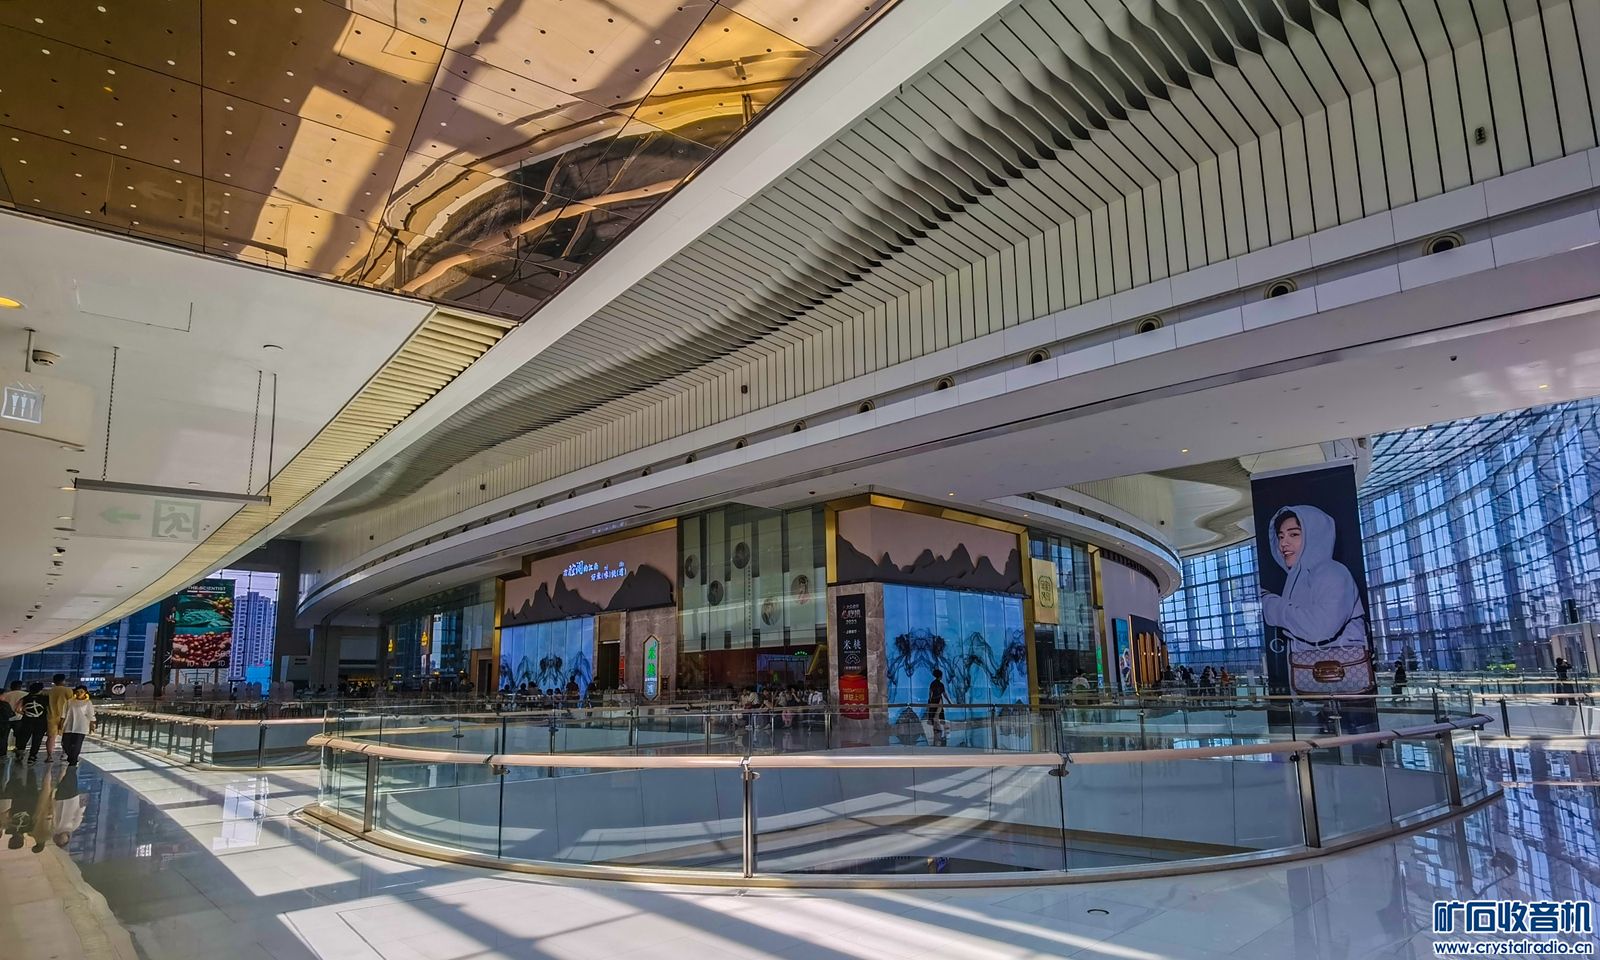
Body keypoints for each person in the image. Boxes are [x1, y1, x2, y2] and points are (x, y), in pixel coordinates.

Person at [1261, 505, 1371, 694]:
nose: (1283, 543)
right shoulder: (1297, 578)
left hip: (1343, 692)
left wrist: (1270, 602)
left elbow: (1319, 628)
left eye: (1294, 534)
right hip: (1315, 687)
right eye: (1280, 536)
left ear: (1315, 536)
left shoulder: (1332, 571)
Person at [61, 686, 95, 766]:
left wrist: (92, 725)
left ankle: (73, 761)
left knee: (77, 745)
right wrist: (61, 723)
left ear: (85, 693)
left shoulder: (88, 703)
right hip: (69, 725)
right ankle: (71, 757)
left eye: (81, 692)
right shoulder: (70, 701)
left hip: (81, 726)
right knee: (65, 744)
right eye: (78, 691)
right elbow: (64, 713)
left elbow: (91, 715)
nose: (79, 693)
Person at [16, 683, 49, 763]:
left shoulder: (25, 698)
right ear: (40, 690)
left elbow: (17, 709)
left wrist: (25, 713)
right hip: (41, 722)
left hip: (27, 721)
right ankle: (32, 756)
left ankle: (20, 752)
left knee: (24, 737)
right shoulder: (45, 698)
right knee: (37, 739)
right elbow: (49, 710)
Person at [45, 674, 72, 761]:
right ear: (63, 681)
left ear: (54, 681)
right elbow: (71, 703)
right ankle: (64, 754)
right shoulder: (68, 690)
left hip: (51, 716)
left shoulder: (49, 691)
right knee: (66, 737)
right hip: (65, 716)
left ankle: (49, 756)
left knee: (51, 737)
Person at [0, 681, 24, 756]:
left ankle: (2, 753)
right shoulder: (24, 694)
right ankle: (18, 750)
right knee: (19, 736)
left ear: (11, 687)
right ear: (20, 686)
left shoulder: (6, 694)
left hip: (5, 719)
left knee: (3, 737)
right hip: (18, 718)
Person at [927, 669, 947, 745]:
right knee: (938, 714)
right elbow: (944, 694)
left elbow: (930, 693)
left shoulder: (932, 683)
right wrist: (949, 701)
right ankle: (938, 730)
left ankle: (936, 729)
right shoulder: (941, 684)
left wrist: (930, 700)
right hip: (938, 700)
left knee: (934, 715)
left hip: (933, 701)